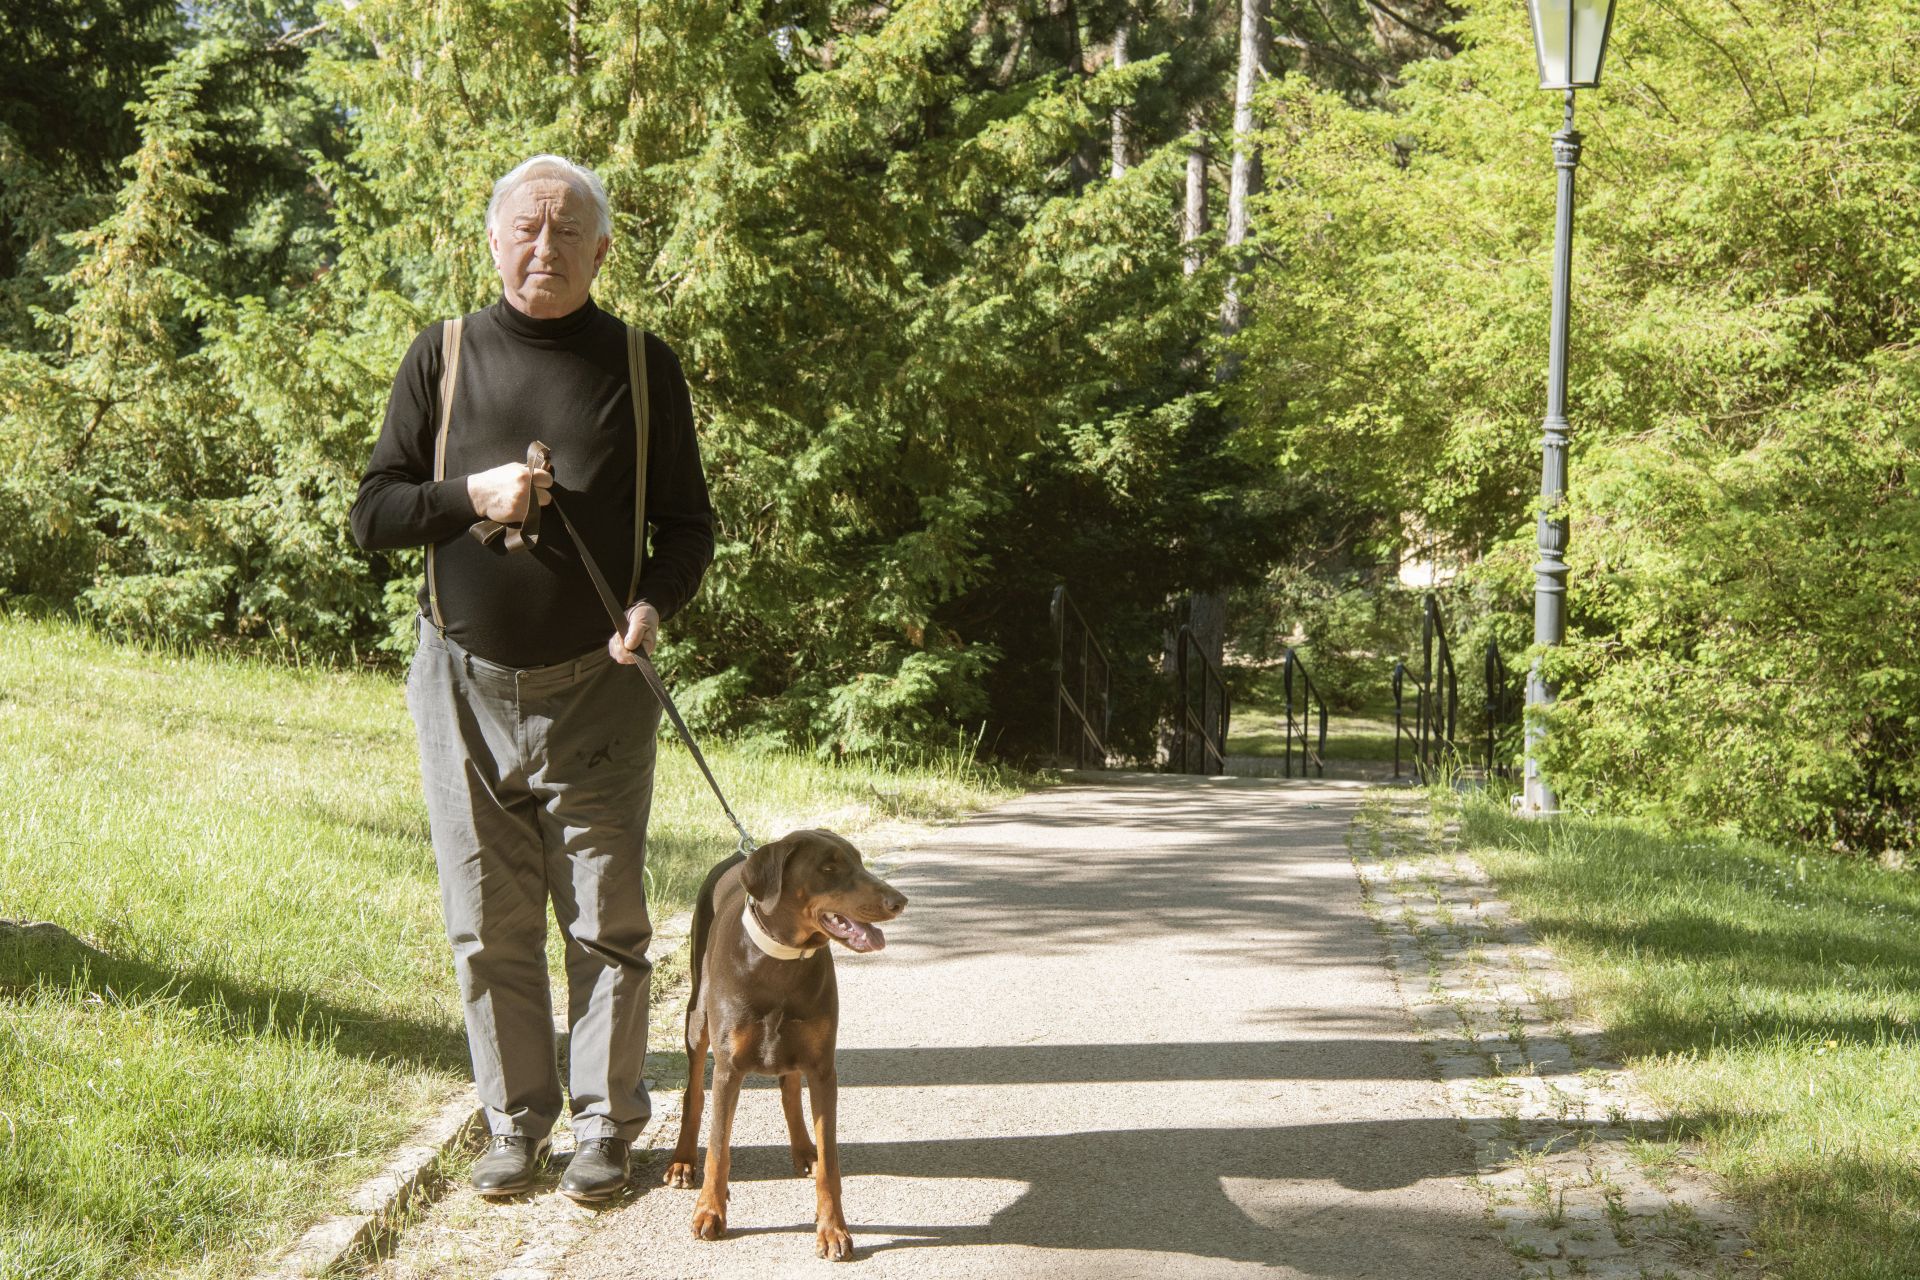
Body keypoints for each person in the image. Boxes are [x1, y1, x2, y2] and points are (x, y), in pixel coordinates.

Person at [349, 154, 715, 1202]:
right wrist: (472, 493)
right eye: (524, 229)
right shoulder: (444, 353)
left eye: (566, 234)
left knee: (606, 917)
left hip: (598, 687)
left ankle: (606, 1124)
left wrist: (653, 605)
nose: (542, 250)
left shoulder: (646, 368)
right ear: (492, 237)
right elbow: (372, 513)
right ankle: (513, 1121)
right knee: (486, 916)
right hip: (459, 681)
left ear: (602, 250)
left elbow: (688, 526)